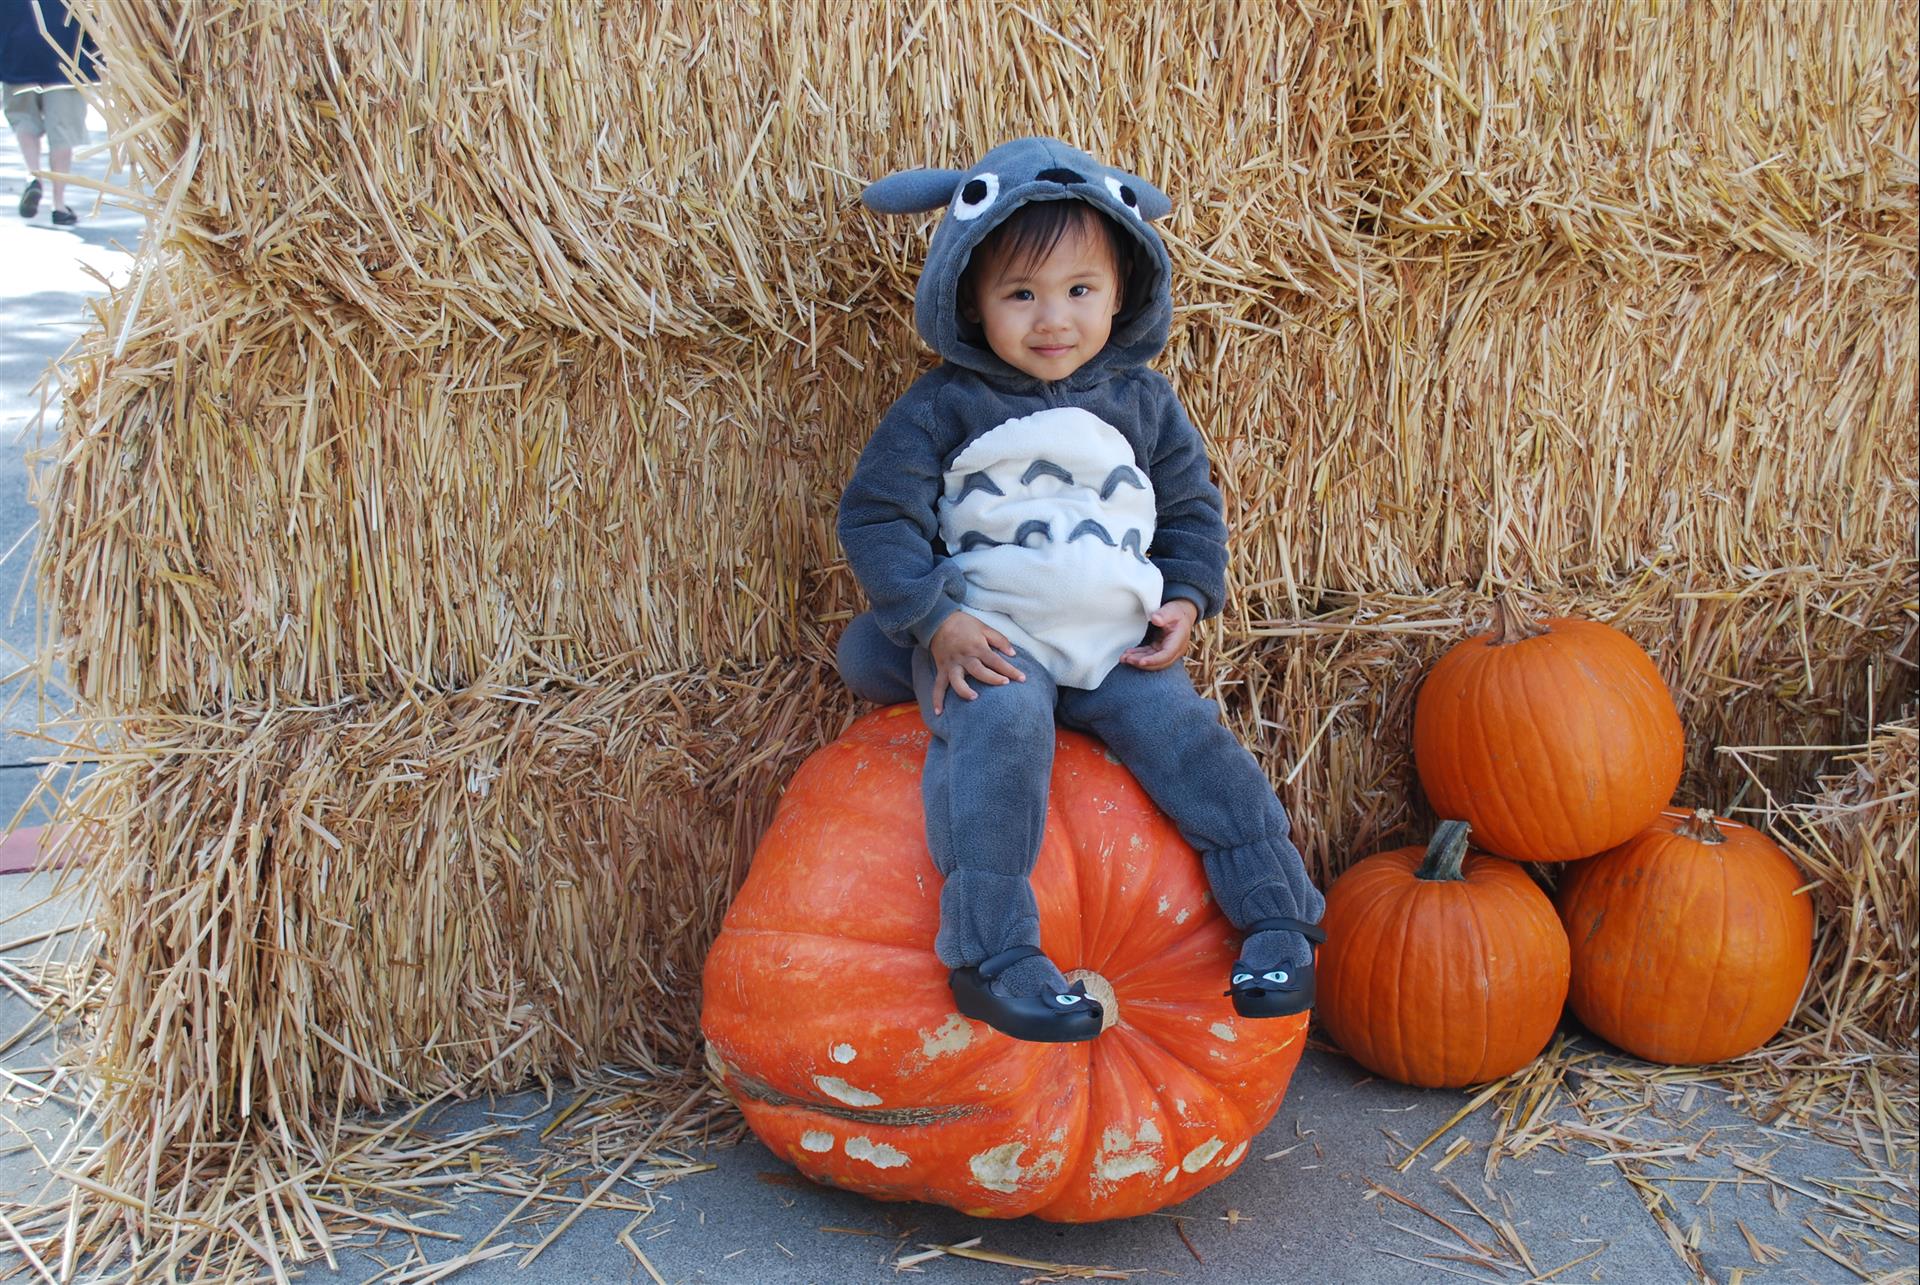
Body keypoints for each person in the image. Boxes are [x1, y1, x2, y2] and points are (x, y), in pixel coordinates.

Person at [836, 138, 1325, 1044]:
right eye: (1020, 293)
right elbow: (875, 519)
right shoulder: (943, 407)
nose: (1052, 317)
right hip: (997, 639)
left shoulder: (1145, 403)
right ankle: (993, 956)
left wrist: (1186, 595)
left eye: (1079, 289)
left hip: (1115, 643)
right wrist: (934, 622)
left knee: (1191, 743)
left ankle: (1277, 919)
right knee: (999, 742)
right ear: (969, 301)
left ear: (1123, 291)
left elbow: (1189, 509)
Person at [2, 0, 97, 226]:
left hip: (18, 51)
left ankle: (34, 175)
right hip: (65, 52)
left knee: (23, 118)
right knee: (62, 129)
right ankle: (59, 204)